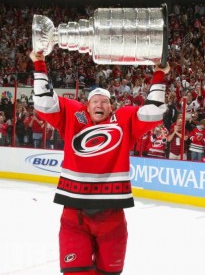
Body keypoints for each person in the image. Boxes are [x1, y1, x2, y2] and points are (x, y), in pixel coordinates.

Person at [29, 50, 170, 275]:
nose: (100, 104)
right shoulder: (74, 115)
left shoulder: (123, 120)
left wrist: (159, 75)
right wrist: (39, 63)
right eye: (95, 100)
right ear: (87, 105)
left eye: (105, 101)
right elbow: (44, 103)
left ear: (111, 107)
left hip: (111, 218)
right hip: (74, 216)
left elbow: (153, 112)